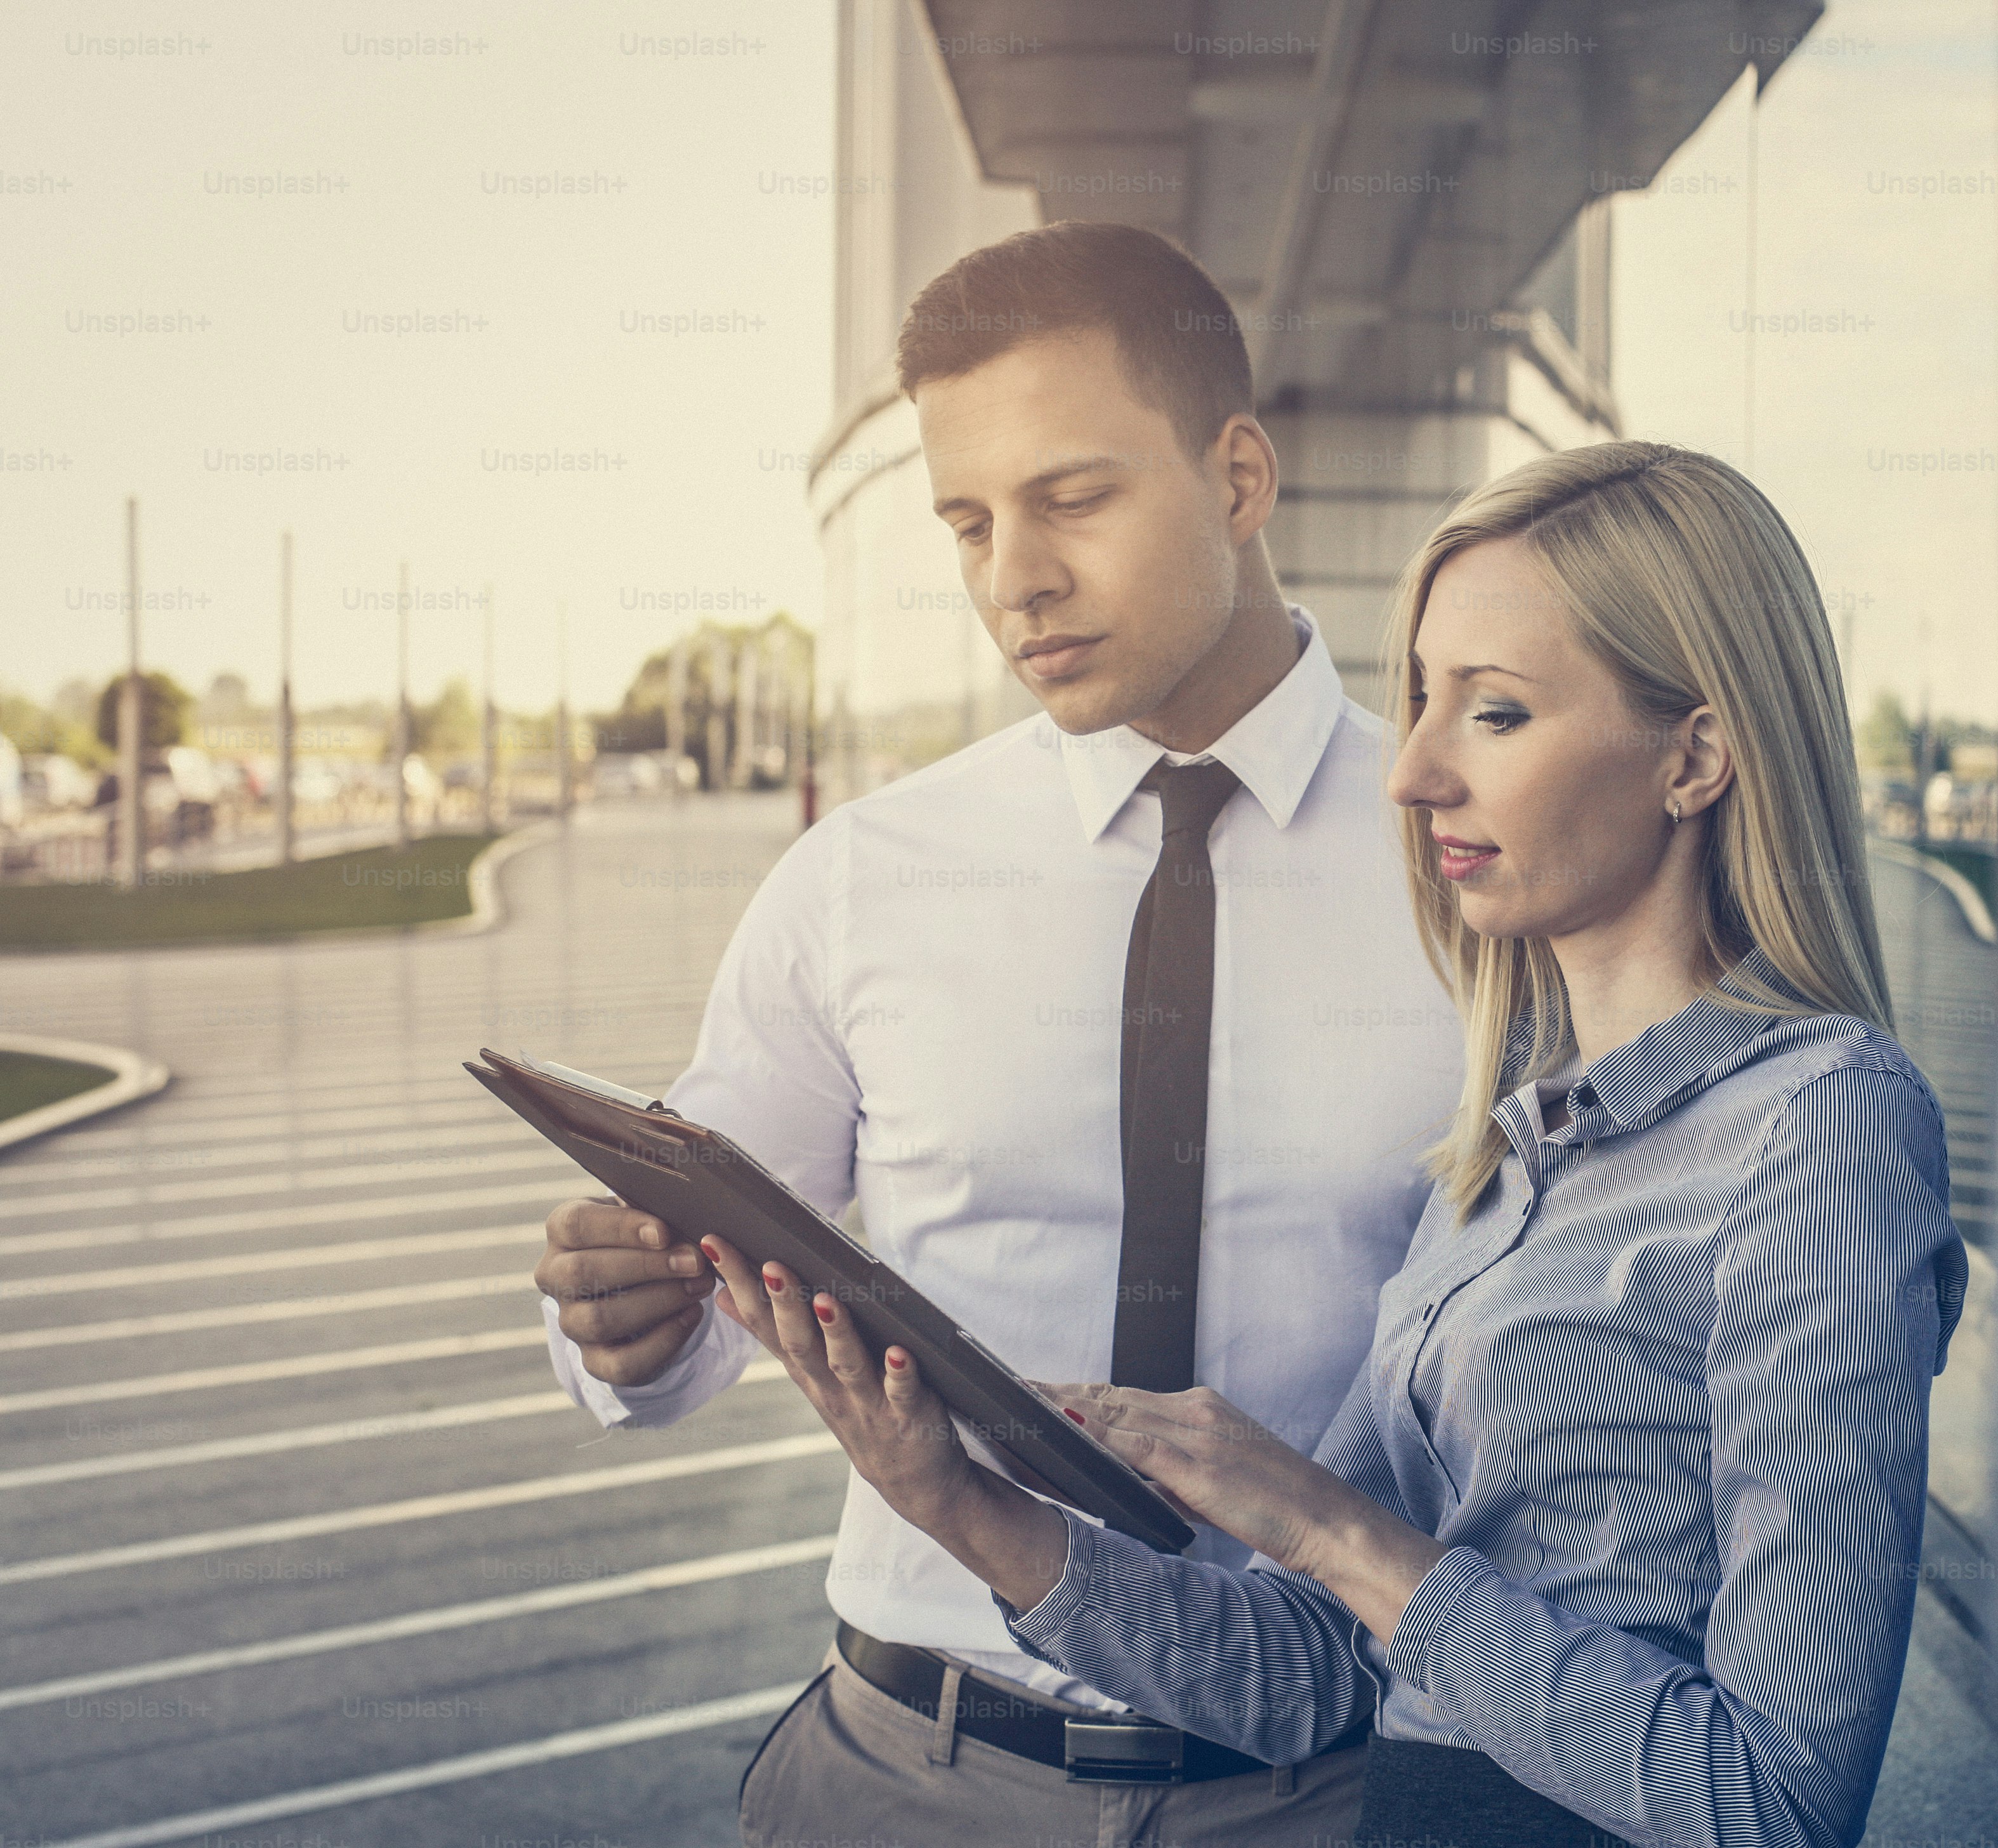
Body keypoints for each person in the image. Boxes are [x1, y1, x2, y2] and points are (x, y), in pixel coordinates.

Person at [703, 442, 1973, 1848]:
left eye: (1495, 712)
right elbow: (1312, 1675)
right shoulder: (1511, 1141)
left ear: (1696, 756)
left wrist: (1339, 1531)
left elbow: (1776, 1803)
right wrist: (955, 1501)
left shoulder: (1825, 1121)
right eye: (1418, 700)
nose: (1412, 771)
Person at [530, 221, 1466, 1847]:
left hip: (1331, 1786)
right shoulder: (863, 881)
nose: (1011, 577)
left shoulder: (1469, 869)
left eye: (1073, 498)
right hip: (913, 1772)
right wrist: (626, 1320)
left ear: (1240, 478)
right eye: (968, 523)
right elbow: (677, 1316)